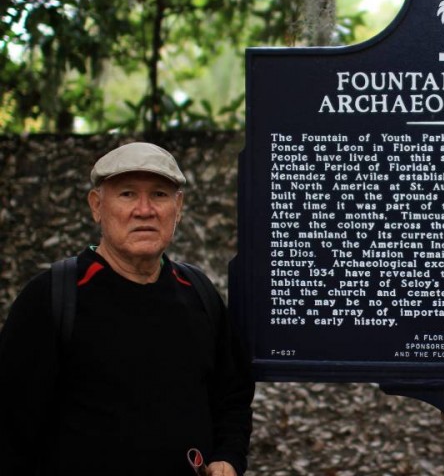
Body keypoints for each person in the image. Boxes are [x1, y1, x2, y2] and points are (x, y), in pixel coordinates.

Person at [0, 142, 254, 476]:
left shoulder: (198, 293)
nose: (145, 210)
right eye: (127, 194)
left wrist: (228, 456)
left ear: (178, 208)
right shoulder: (53, 297)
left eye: (160, 195)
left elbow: (232, 393)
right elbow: (9, 426)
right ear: (97, 206)